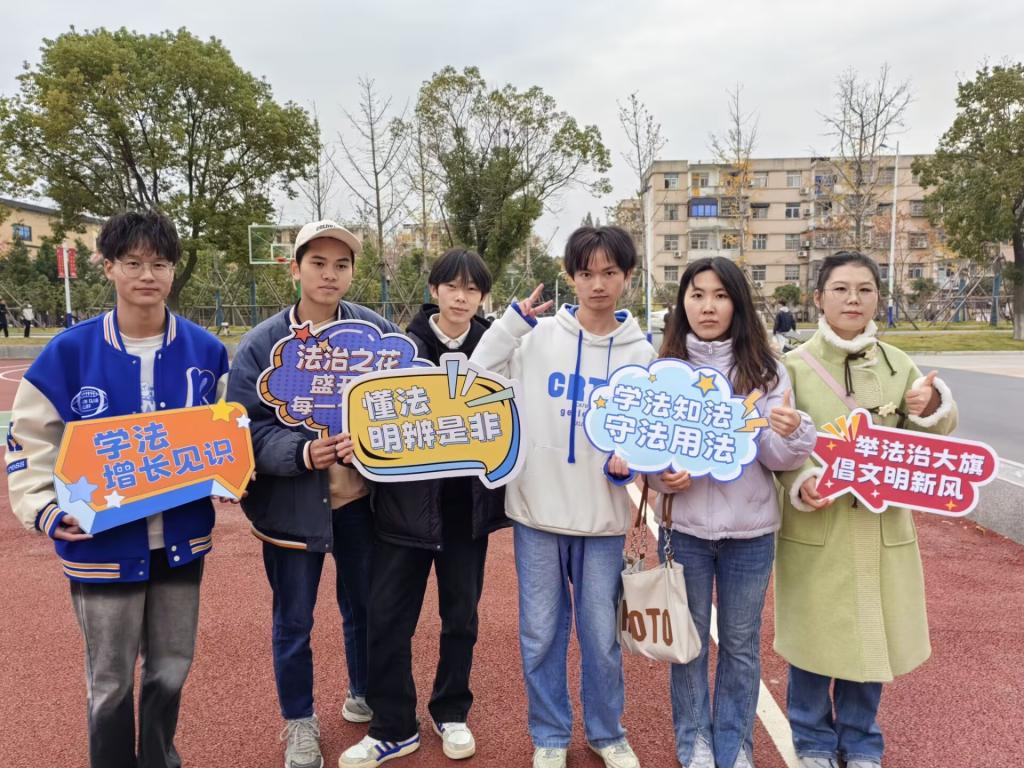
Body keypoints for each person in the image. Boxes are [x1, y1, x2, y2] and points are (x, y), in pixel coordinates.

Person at [5, 210, 229, 768]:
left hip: (180, 540)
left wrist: (232, 475)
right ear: (107, 267)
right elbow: (29, 438)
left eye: (160, 263)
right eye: (133, 263)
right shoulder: (70, 352)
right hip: (100, 543)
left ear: (173, 271)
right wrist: (43, 508)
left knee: (171, 666)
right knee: (109, 679)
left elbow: (230, 433)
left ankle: (159, 759)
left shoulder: (206, 352)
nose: (147, 275)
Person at [470, 225, 655, 768]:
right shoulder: (536, 336)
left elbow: (648, 435)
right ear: (570, 276)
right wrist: (510, 323)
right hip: (536, 514)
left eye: (609, 273)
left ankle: (607, 732)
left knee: (601, 637)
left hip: (602, 520)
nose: (597, 284)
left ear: (627, 277)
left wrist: (632, 459)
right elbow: (476, 375)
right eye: (586, 273)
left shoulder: (642, 353)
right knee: (540, 634)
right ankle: (550, 736)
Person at [227, 219, 402, 768]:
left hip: (362, 506)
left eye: (341, 265)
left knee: (365, 608)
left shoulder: (377, 332)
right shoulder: (262, 344)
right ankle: (299, 722)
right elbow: (241, 429)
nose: (330, 274)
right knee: (294, 621)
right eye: (318, 263)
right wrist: (301, 453)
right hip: (290, 508)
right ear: (295, 269)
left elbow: (404, 404)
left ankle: (364, 693)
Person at [775, 251, 958, 768]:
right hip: (819, 525)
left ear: (878, 297)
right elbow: (777, 448)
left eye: (864, 289)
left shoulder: (900, 365)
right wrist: (801, 481)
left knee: (870, 636)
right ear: (818, 298)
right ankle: (811, 739)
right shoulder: (790, 368)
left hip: (882, 526)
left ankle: (860, 742)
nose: (852, 299)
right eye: (840, 289)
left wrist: (930, 408)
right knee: (813, 638)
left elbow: (932, 444)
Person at [339, 249, 507, 768]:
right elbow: (367, 417)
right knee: (388, 620)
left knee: (461, 617)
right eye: (452, 286)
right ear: (434, 290)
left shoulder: (497, 353)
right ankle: (393, 727)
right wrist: (357, 445)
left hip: (466, 514)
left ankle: (451, 712)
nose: (461, 297)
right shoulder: (398, 350)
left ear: (483, 297)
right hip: (401, 513)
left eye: (472, 289)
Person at [648, 258, 815, 768]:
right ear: (682, 303)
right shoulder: (664, 370)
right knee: (689, 642)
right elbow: (647, 451)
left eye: (720, 295)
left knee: (741, 645)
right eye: (697, 295)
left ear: (737, 303)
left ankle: (736, 745)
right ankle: (694, 742)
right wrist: (662, 478)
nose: (708, 306)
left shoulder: (766, 370)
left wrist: (793, 431)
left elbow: (777, 458)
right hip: (685, 531)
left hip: (751, 532)